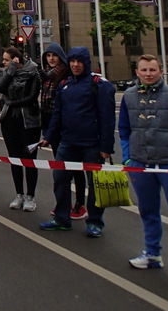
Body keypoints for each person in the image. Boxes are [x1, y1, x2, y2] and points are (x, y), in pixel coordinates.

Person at [39, 47, 115, 237]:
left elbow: (107, 118)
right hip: (68, 143)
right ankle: (62, 218)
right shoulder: (65, 85)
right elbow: (58, 114)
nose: (75, 65)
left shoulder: (99, 84)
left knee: (95, 185)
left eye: (79, 61)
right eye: (72, 61)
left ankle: (95, 222)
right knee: (60, 180)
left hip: (92, 145)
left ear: (86, 63)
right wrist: (49, 136)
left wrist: (106, 147)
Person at [119, 54, 168, 269]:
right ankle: (152, 253)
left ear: (161, 71)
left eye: (152, 70)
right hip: (140, 163)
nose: (148, 74)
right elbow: (124, 128)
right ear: (137, 72)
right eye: (144, 70)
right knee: (148, 211)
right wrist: (128, 157)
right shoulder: (129, 95)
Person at [39, 43, 86, 220]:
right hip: (51, 122)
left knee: (75, 166)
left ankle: (80, 203)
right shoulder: (46, 75)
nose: (51, 59)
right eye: (48, 55)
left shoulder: (66, 75)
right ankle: (63, 203)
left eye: (54, 55)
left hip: (65, 124)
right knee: (60, 168)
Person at [0, 47, 41, 211]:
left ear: (16, 59)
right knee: (14, 158)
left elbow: (32, 97)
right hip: (10, 121)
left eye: (6, 60)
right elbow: (0, 88)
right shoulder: (9, 73)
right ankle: (19, 194)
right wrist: (10, 71)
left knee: (29, 159)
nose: (3, 62)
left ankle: (30, 196)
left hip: (29, 122)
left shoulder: (33, 73)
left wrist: (12, 103)